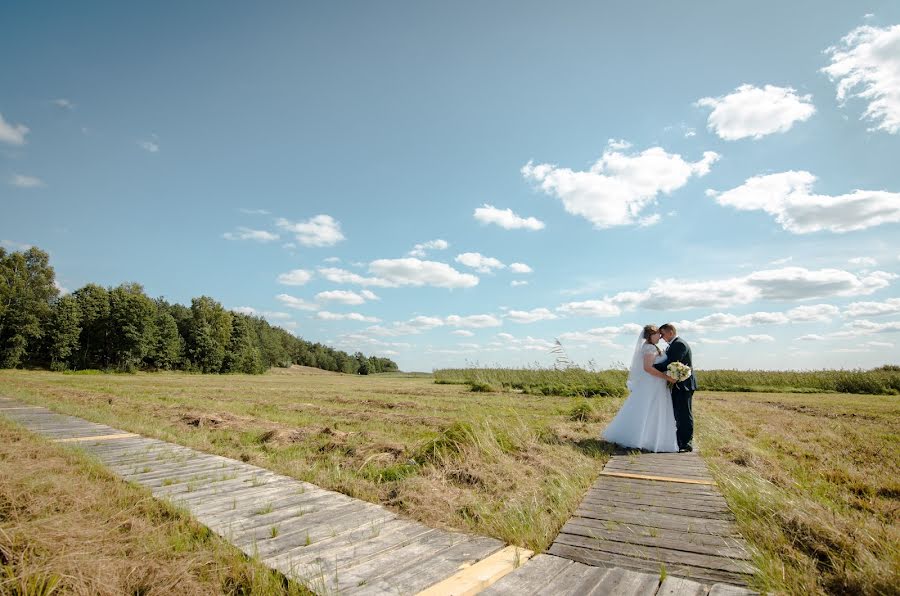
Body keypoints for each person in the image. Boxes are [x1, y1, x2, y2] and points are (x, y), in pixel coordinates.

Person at [601, 324, 678, 453]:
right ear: (650, 336)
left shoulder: (653, 347)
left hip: (656, 384)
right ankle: (642, 439)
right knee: (648, 409)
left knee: (653, 409)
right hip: (651, 384)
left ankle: (651, 438)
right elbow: (647, 368)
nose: (660, 336)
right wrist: (666, 377)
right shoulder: (649, 348)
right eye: (657, 334)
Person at [653, 323, 696, 452]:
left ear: (670, 332)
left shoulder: (679, 344)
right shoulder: (674, 344)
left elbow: (670, 363)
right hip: (678, 384)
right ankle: (680, 440)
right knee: (678, 413)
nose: (661, 337)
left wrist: (651, 368)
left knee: (684, 414)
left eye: (663, 334)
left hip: (684, 385)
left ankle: (686, 443)